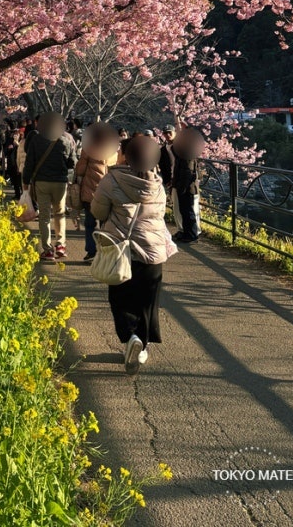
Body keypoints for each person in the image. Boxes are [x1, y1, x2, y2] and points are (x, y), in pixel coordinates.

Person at [91, 135, 168, 375]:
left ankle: (129, 336)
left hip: (120, 251)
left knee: (121, 297)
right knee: (147, 301)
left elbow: (97, 210)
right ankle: (142, 346)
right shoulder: (158, 184)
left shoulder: (111, 179)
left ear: (126, 155)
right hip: (153, 252)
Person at [23, 111, 78, 262]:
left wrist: (26, 182)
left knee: (45, 216)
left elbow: (29, 163)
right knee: (60, 214)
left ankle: (47, 250)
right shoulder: (65, 141)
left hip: (41, 182)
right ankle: (60, 245)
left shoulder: (36, 140)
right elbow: (72, 163)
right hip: (60, 182)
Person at [75, 123, 120, 262]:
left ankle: (92, 252)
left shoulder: (89, 149)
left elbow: (80, 170)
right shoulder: (113, 150)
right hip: (107, 191)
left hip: (90, 191)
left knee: (90, 223)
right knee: (105, 223)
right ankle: (105, 253)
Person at [171, 127, 207, 243]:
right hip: (184, 188)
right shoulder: (185, 155)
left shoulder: (188, 157)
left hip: (187, 189)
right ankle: (186, 232)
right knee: (185, 212)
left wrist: (181, 188)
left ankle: (191, 235)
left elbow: (187, 173)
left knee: (188, 212)